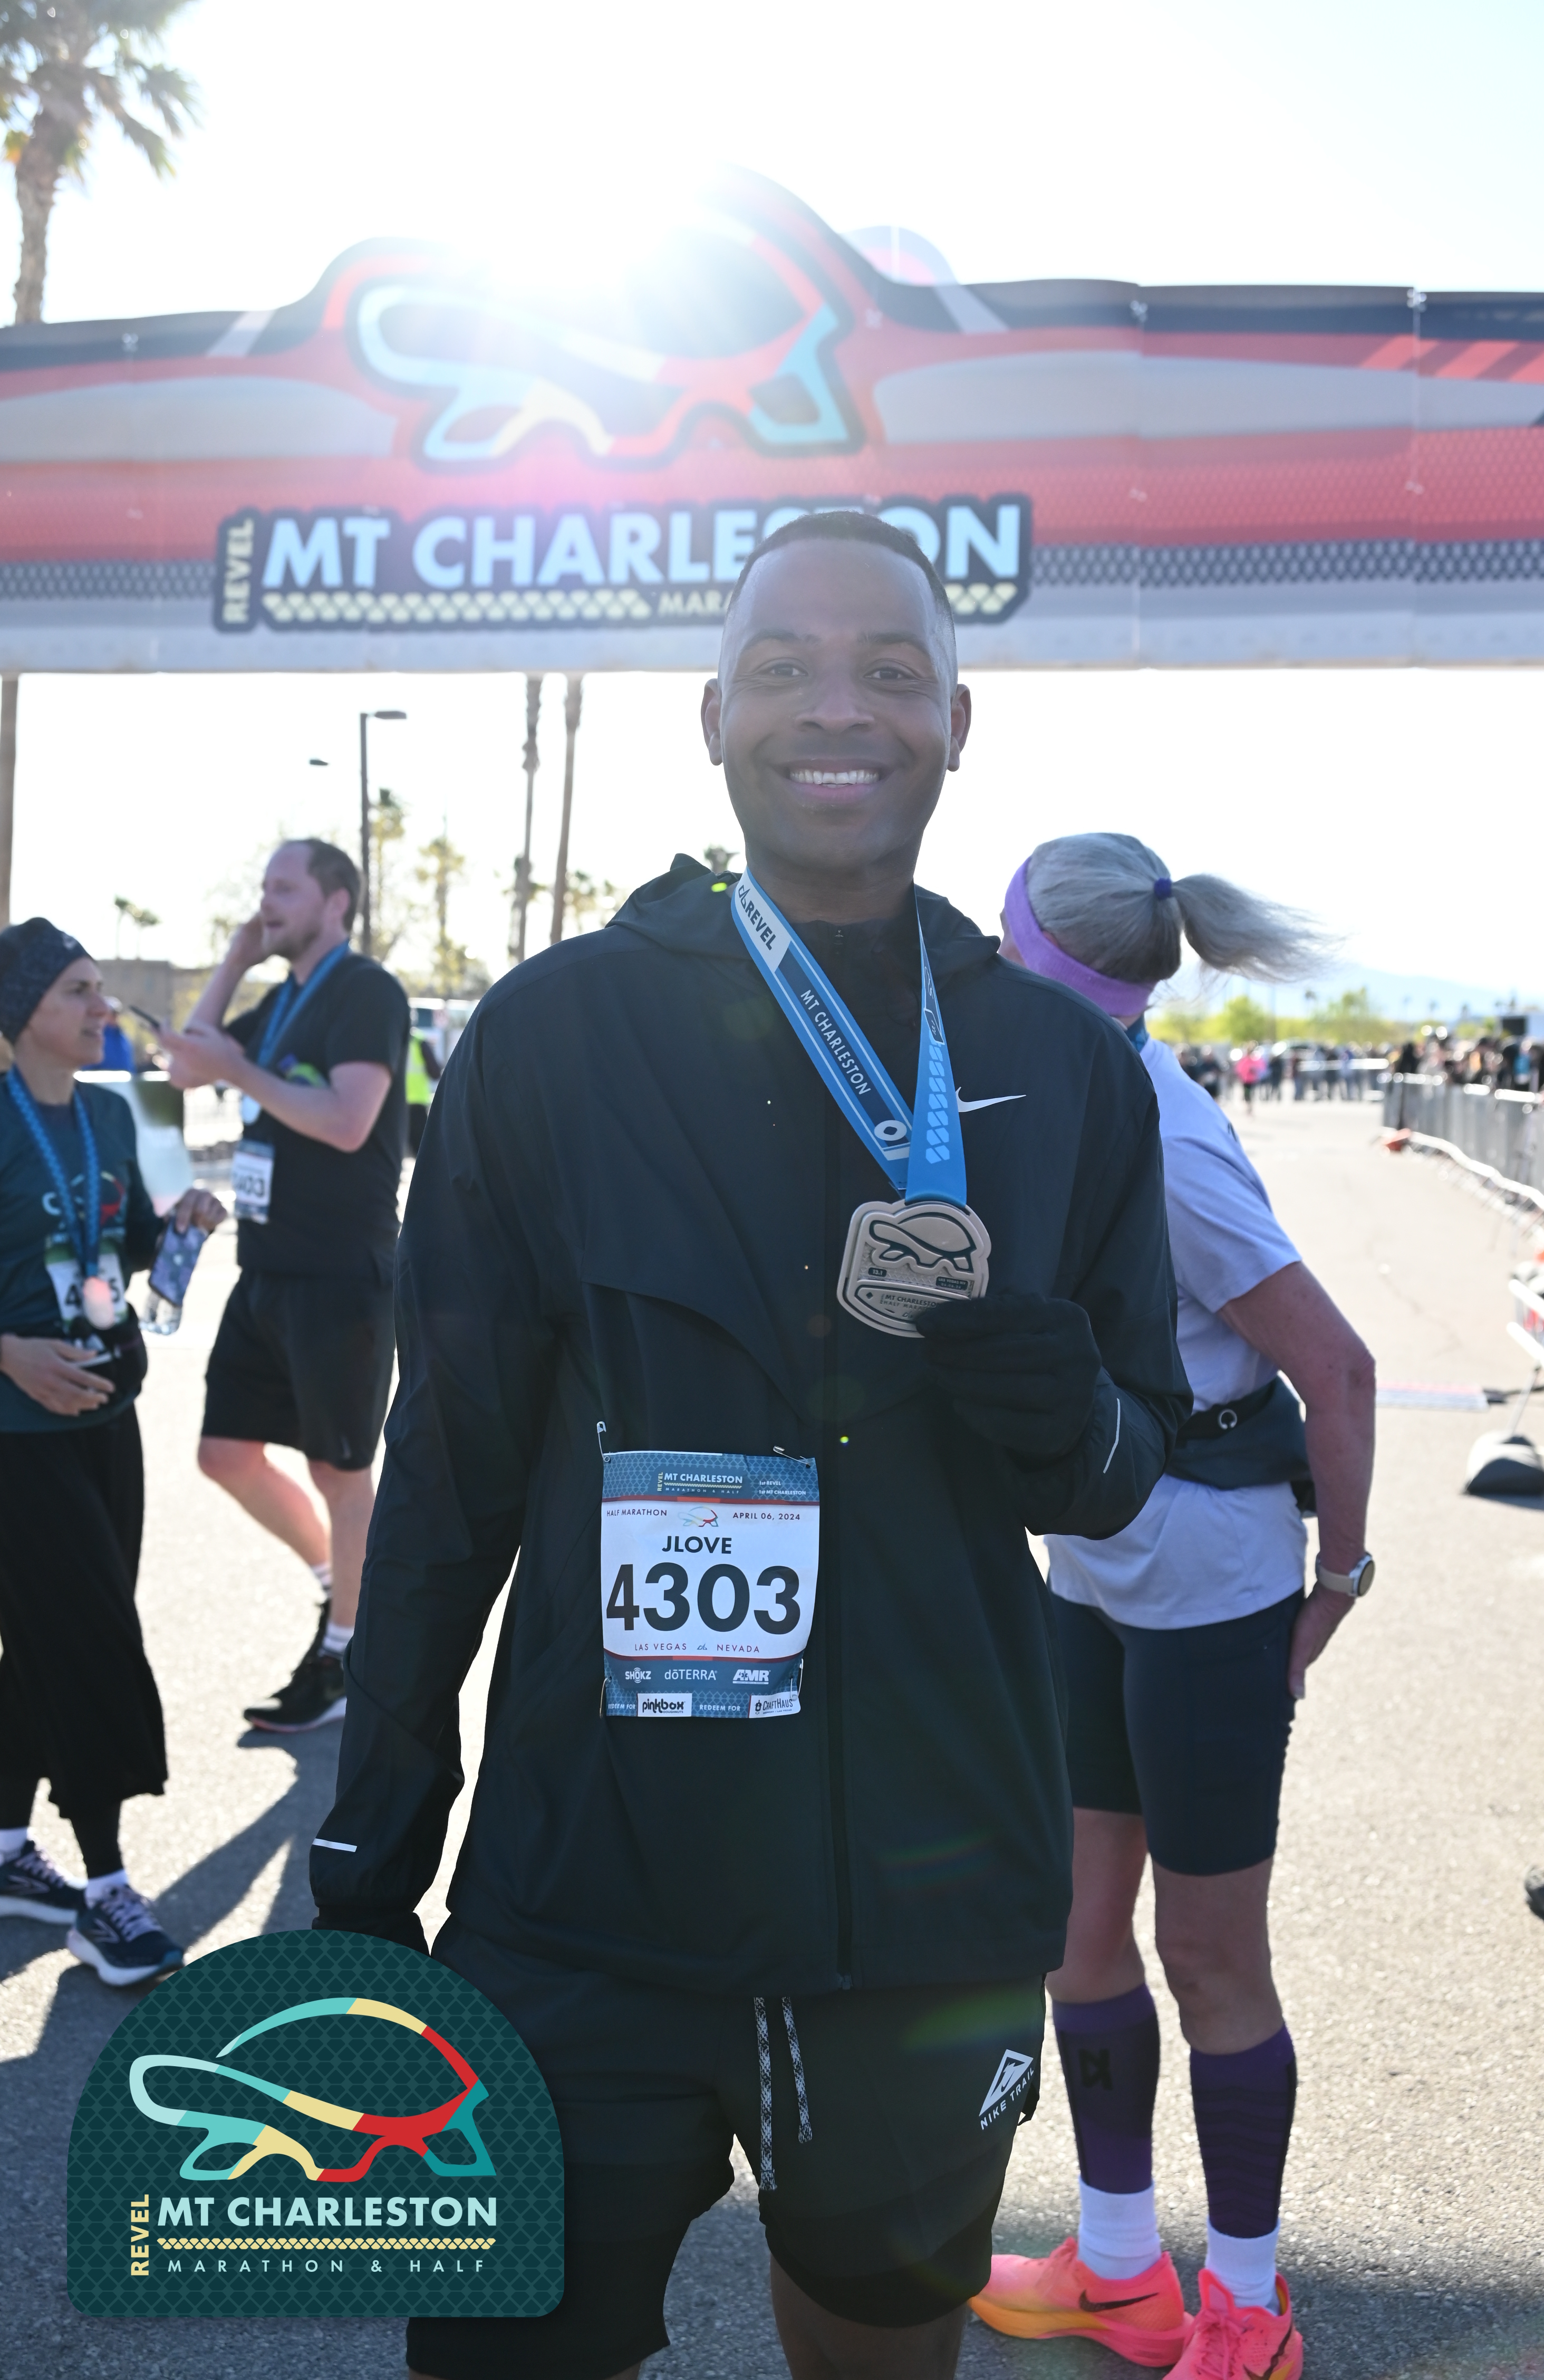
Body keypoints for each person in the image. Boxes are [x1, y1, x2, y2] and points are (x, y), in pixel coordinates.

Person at [311, 510, 1191, 2380]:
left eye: (890, 671)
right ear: (712, 716)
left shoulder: (1065, 1071)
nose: (836, 708)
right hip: (585, 1893)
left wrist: (1062, 1408)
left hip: (923, 1912)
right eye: (782, 667)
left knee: (878, 2343)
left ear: (957, 723)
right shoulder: (555, 1035)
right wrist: (374, 1843)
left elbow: (1123, 1475)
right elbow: (451, 1471)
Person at [972, 835, 1376, 2380]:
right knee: (1077, 1930)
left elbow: (1335, 1367)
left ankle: (1250, 2308)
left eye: (999, 951)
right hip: (1095, 1556)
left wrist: (1337, 1576)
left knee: (1208, 1954)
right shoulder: (1055, 1090)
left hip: (1210, 1575)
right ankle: (1120, 2265)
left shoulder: (1164, 1129)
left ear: (1041, 968)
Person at [0, 920, 225, 1982]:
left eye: (99, 988)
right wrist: (9, 1354)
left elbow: (119, 1245)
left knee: (48, 1639)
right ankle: (105, 1891)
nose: (104, 1008)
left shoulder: (108, 1113)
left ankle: (7, 1846)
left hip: (106, 1420)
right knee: (91, 1641)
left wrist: (180, 1227)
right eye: (79, 992)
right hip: (20, 1439)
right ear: (24, 1012)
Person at [161, 840, 409, 1733]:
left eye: (284, 888)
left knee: (339, 1470)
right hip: (265, 1268)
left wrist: (238, 1070)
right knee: (224, 1454)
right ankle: (342, 1588)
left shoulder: (366, 991)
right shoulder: (279, 998)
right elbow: (185, 1066)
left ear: (335, 902)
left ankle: (346, 1654)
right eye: (263, 888)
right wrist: (234, 960)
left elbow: (347, 1122)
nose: (267, 902)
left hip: (340, 1275)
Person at [406, 1015, 442, 1155]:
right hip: (417, 1102)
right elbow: (435, 1073)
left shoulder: (393, 1039)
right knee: (423, 1151)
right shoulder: (419, 1041)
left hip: (396, 1104)